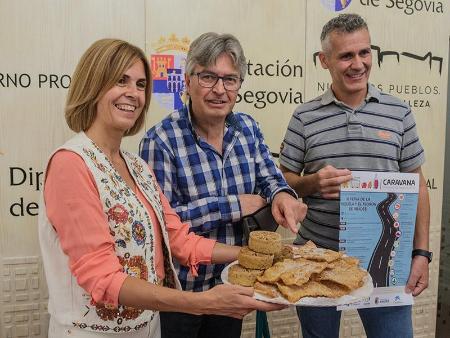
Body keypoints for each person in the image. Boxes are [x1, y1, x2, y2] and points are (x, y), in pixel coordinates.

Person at [38, 38, 286, 338]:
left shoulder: (136, 167)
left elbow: (180, 241)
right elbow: (102, 278)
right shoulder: (72, 163)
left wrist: (262, 255)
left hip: (147, 329)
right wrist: (199, 303)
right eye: (120, 80)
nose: (133, 93)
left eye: (141, 84)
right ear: (93, 85)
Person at [139, 32, 307, 338]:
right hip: (183, 293)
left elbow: (270, 177)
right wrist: (233, 206)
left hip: (234, 284)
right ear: (188, 82)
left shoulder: (247, 127)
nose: (220, 90)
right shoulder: (160, 140)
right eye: (208, 77)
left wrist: (283, 196)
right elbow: (162, 225)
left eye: (230, 79)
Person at [279, 13, 431, 338]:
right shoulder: (304, 117)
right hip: (317, 261)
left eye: (364, 52)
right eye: (346, 55)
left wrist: (421, 254)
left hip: (385, 259)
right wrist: (311, 183)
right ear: (324, 60)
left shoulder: (399, 112)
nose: (358, 64)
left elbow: (418, 186)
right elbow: (284, 180)